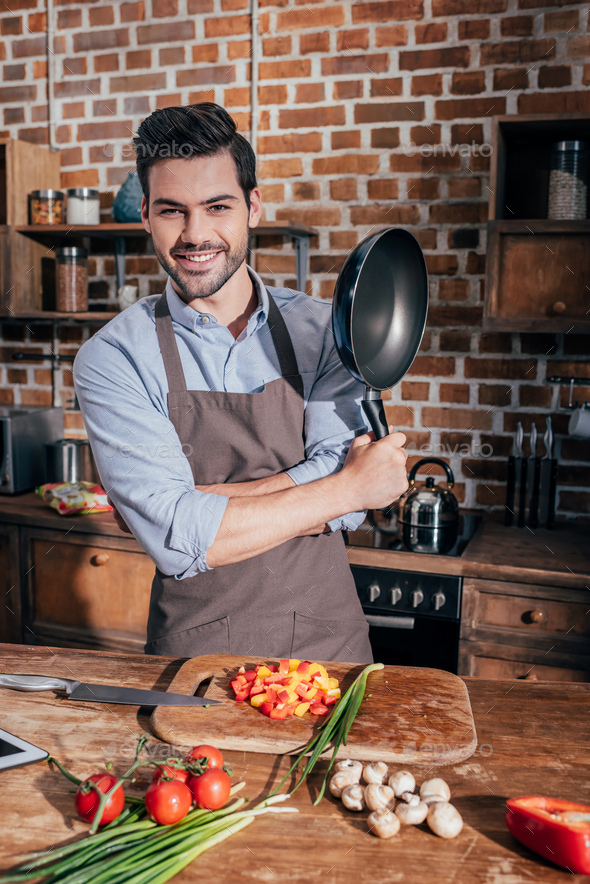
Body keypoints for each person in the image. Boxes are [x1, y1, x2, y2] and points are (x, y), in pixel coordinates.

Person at [74, 103, 409, 663]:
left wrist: (203, 506)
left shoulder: (325, 331)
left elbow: (189, 525)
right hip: (194, 658)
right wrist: (349, 486)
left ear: (252, 207)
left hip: (331, 645)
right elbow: (180, 542)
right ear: (147, 218)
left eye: (217, 206)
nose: (195, 234)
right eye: (172, 211)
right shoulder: (112, 357)